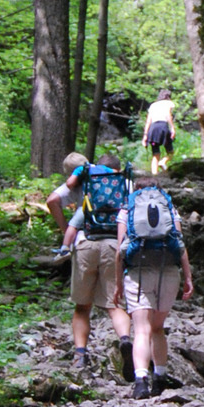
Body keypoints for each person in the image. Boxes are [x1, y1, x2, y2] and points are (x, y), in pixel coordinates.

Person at [113, 183, 193, 399]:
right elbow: (179, 243)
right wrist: (187, 277)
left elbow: (120, 248)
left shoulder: (127, 209)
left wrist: (118, 283)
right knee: (157, 328)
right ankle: (160, 377)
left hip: (138, 273)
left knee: (141, 329)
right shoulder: (168, 208)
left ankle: (141, 382)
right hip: (167, 272)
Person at [59, 152, 135, 380]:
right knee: (115, 304)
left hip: (86, 244)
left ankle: (80, 355)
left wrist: (64, 245)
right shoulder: (127, 184)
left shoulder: (90, 184)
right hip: (115, 246)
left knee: (82, 306)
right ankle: (124, 340)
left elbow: (66, 215)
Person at [143, 88, 176, 175]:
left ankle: (154, 174)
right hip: (163, 127)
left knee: (155, 153)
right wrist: (172, 128)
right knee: (170, 151)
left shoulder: (153, 105)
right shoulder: (169, 103)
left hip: (153, 129)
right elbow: (168, 115)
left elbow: (148, 120)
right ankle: (163, 161)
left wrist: (145, 135)